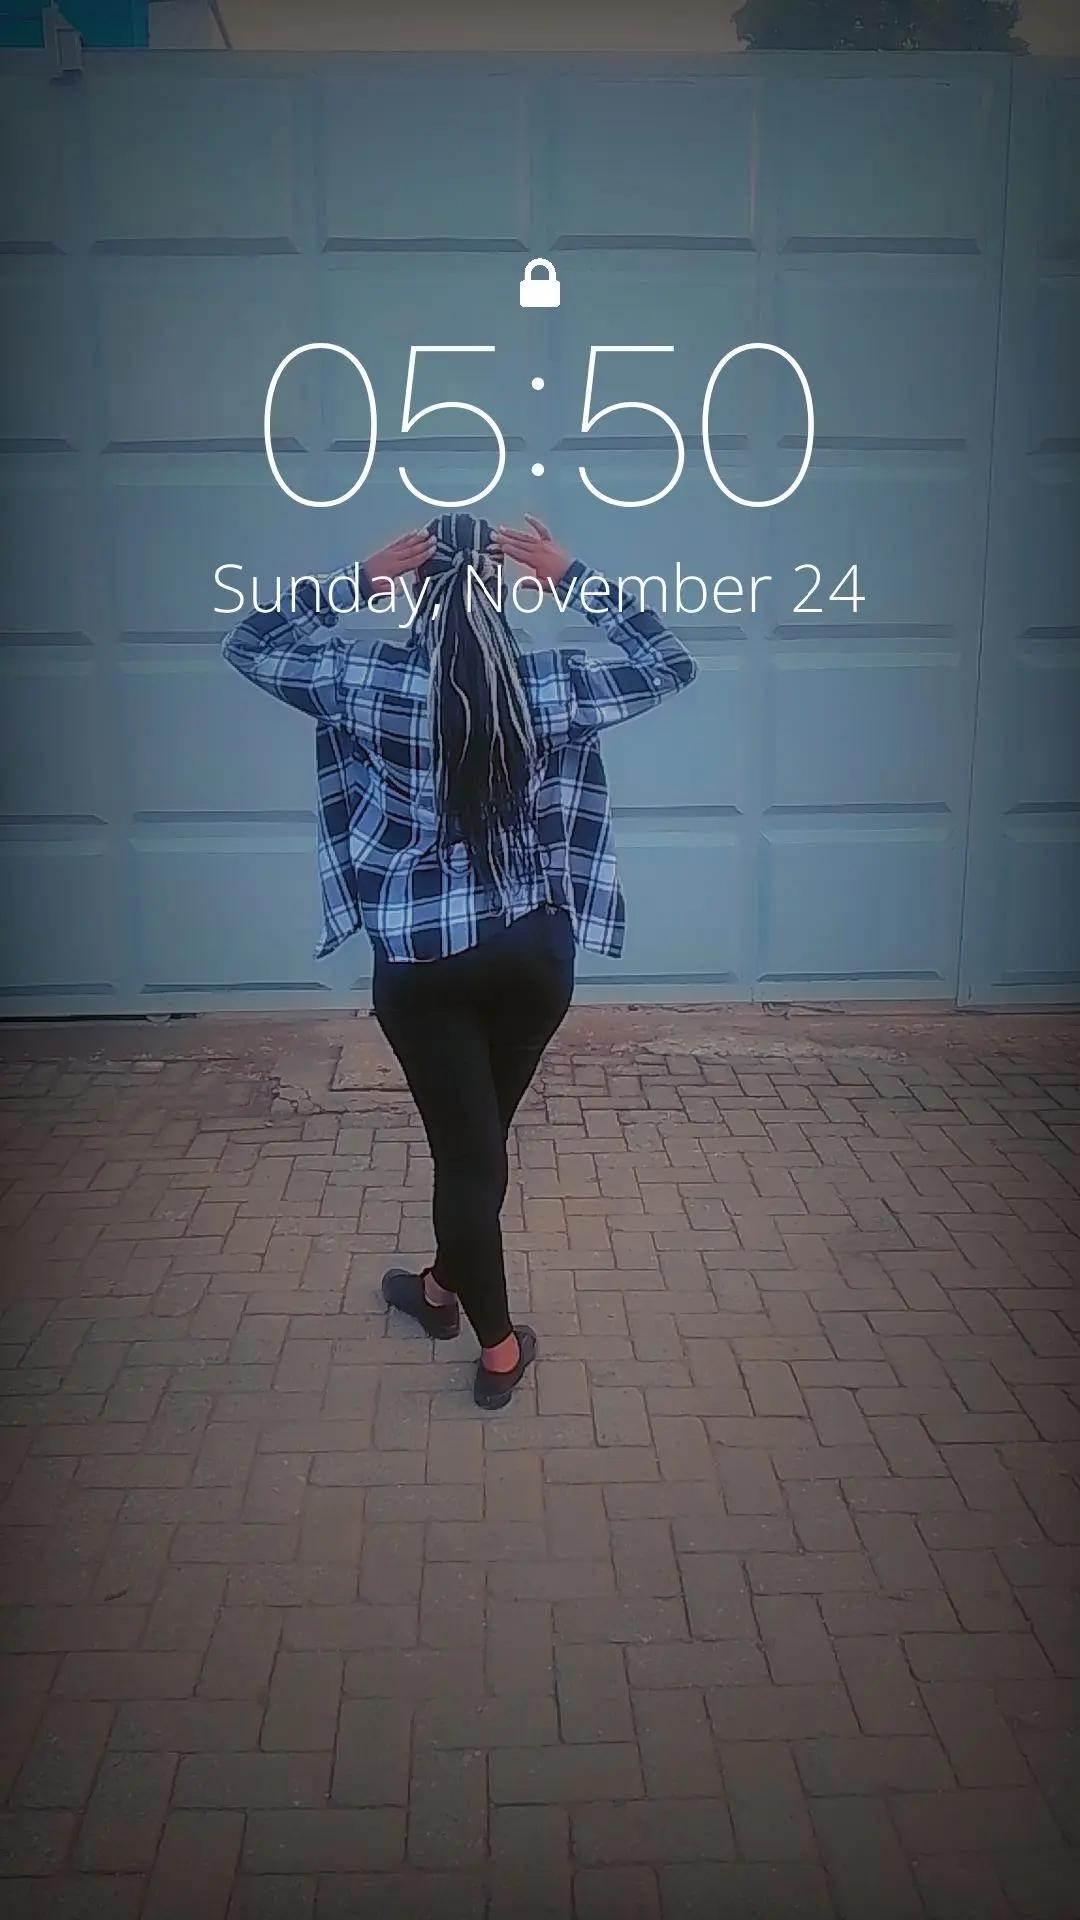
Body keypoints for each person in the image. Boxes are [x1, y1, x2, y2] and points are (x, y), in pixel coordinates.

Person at [222, 511, 696, 1407]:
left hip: (424, 964)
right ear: (508, 589)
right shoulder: (552, 683)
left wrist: (359, 577)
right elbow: (668, 661)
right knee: (476, 1150)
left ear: (417, 591)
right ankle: (441, 1288)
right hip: (532, 957)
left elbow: (251, 642)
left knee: (466, 1159)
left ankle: (498, 1348)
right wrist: (571, 574)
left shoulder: (365, 677)